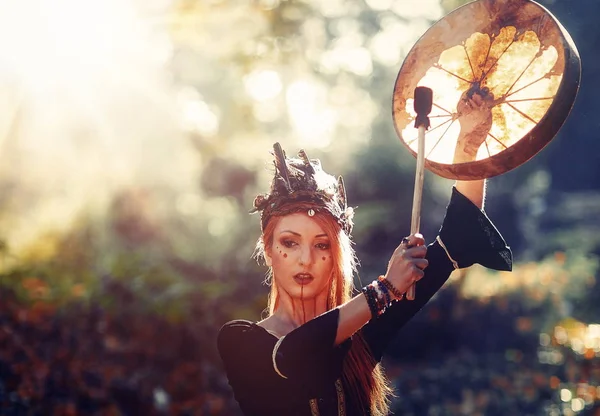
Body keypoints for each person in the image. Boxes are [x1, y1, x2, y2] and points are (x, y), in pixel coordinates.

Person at [217, 137, 512, 415]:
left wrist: (470, 141)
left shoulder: (361, 336)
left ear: (336, 257)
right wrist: (385, 289)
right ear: (268, 251)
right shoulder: (240, 341)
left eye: (322, 245)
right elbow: (294, 354)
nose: (305, 259)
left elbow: (458, 238)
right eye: (289, 243)